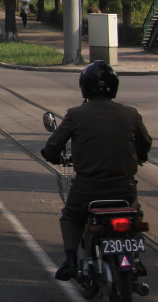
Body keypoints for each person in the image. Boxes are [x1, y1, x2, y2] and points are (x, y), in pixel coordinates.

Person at [42, 61, 152, 281]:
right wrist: (139, 156)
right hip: (124, 189)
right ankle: (135, 258)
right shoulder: (131, 114)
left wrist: (53, 156)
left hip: (88, 189)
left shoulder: (75, 114)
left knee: (71, 217)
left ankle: (71, 260)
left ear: (85, 87)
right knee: (135, 213)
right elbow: (146, 144)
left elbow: (52, 148)